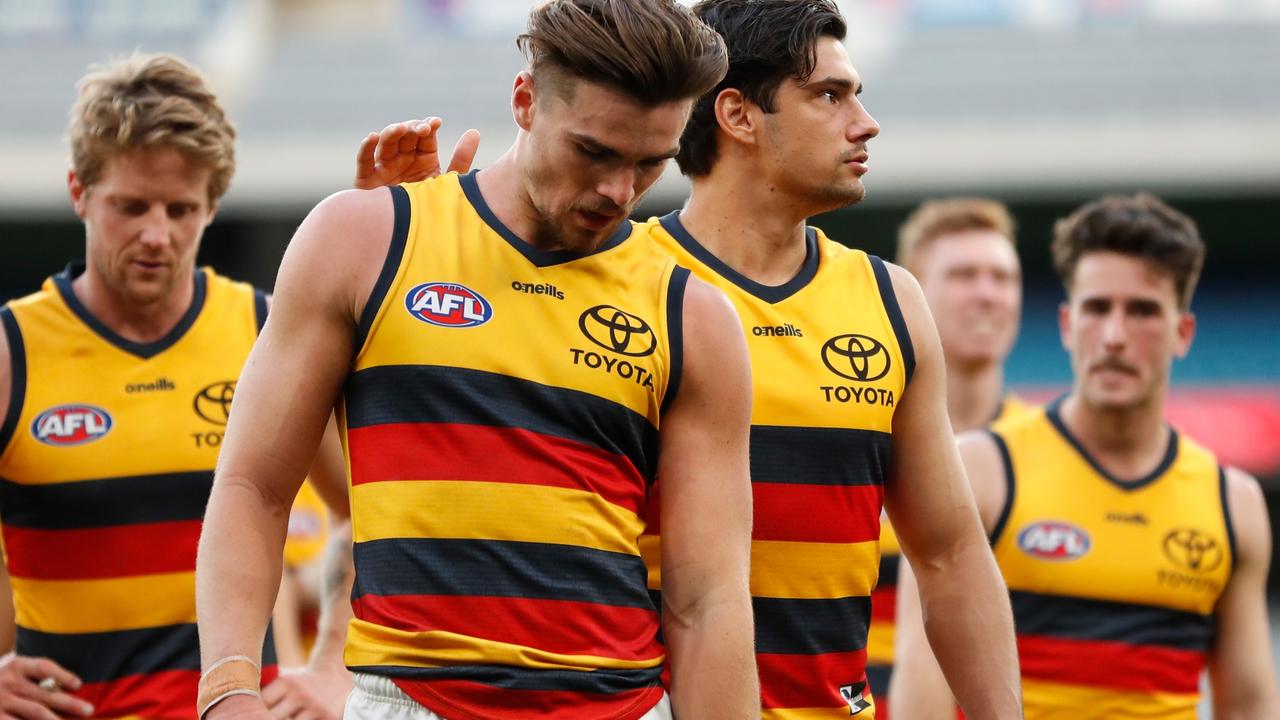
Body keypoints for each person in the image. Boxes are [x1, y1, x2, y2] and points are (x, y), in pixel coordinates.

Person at [356, 2, 1023, 717]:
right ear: (736, 116)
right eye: (829, 95)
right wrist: (409, 276)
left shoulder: (890, 302)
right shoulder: (613, 275)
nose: (865, 122)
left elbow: (950, 557)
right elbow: (399, 484)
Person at [194, 2, 759, 719]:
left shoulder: (693, 315)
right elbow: (254, 487)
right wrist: (228, 691)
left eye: (651, 163)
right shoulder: (366, 237)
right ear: (524, 102)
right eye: (594, 151)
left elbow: (707, 599)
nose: (619, 191)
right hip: (407, 700)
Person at [0, 53, 477, 720]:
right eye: (130, 206)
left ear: (214, 204)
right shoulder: (11, 351)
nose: (157, 235)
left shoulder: (264, 330)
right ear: (79, 192)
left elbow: (373, 511)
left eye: (181, 208)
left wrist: (332, 663)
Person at [891, 193, 1280, 719]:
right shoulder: (979, 473)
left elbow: (1248, 706)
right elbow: (922, 696)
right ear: (1067, 324)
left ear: (1183, 333)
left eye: (1142, 311)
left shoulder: (1234, 504)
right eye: (1098, 309)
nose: (1115, 337)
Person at [867, 197, 1031, 714]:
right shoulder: (857, 441)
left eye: (1003, 278)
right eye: (964, 275)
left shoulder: (1047, 453)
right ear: (913, 289)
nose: (988, 295)